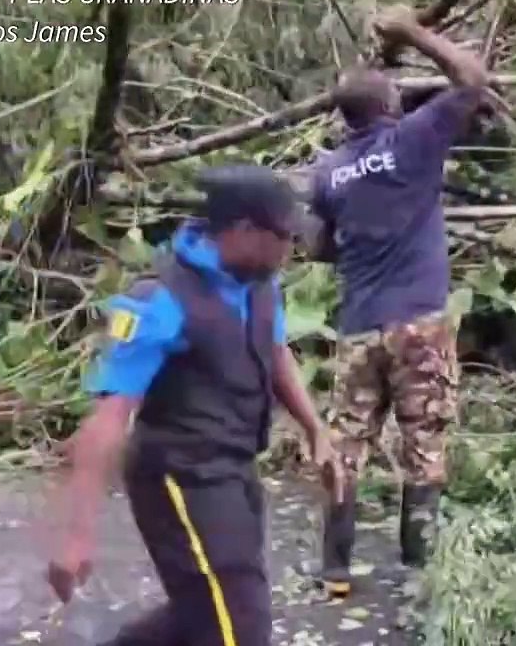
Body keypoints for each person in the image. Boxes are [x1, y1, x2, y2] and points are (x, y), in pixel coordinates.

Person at [46, 164, 343, 646]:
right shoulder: (158, 300)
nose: (293, 251)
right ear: (246, 231)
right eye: (286, 238)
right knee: (240, 624)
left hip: (234, 469)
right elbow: (108, 421)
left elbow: (275, 350)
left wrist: (315, 429)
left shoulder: (259, 282)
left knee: (207, 607)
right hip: (177, 477)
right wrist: (77, 534)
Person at [304, 4, 489, 597]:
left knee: (348, 446)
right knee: (424, 443)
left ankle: (335, 570)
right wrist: (412, 32)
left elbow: (320, 250)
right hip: (420, 324)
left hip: (359, 325)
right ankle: (419, 569)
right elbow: (473, 79)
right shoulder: (415, 139)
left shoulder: (328, 173)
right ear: (391, 107)